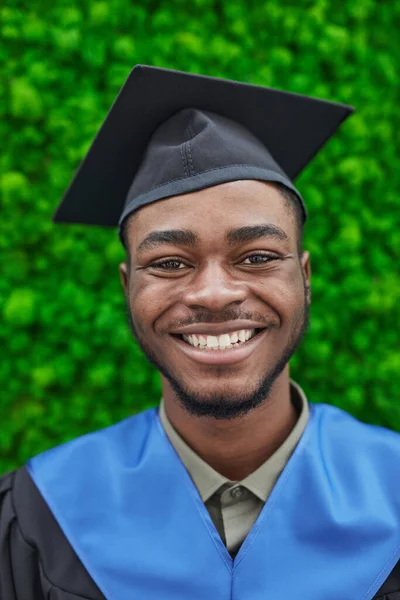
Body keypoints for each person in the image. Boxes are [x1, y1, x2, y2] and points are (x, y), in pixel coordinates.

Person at [1, 65, 399, 600]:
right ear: (128, 288)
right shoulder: (39, 515)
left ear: (304, 278)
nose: (214, 294)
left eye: (257, 256)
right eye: (169, 263)